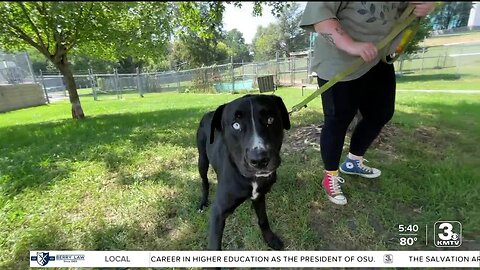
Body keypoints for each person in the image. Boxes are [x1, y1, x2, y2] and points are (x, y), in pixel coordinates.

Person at [299, 2, 435, 205]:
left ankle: (353, 162)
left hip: (378, 58)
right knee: (338, 120)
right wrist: (351, 45)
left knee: (381, 113)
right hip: (339, 62)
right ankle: (330, 176)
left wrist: (423, 7)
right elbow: (320, 15)